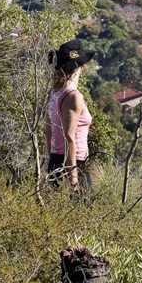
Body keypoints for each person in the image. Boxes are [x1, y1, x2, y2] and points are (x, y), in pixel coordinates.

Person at [46, 39, 94, 191]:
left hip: (56, 161)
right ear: (78, 68)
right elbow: (69, 137)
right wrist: (73, 178)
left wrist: (51, 161)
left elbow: (47, 131)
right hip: (74, 164)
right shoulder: (74, 96)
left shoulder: (54, 93)